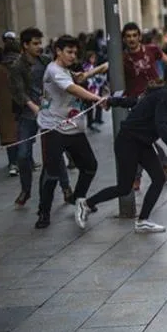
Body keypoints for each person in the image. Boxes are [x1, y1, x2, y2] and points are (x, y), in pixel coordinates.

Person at [83, 60, 167, 233]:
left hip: (141, 142)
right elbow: (162, 126)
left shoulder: (160, 91)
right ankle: (86, 204)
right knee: (124, 187)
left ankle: (142, 221)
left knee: (158, 178)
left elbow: (136, 101)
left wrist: (112, 101)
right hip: (128, 141)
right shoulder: (163, 94)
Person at [36, 35, 107, 229]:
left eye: (75, 52)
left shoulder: (67, 70)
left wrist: (100, 69)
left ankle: (78, 199)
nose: (73, 56)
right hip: (53, 128)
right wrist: (97, 99)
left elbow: (80, 78)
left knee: (90, 166)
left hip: (74, 128)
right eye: (69, 52)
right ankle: (44, 212)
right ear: (58, 51)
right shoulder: (53, 70)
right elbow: (73, 89)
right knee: (51, 174)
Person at [9, 28, 71, 208]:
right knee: (22, 154)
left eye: (40, 43)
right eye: (35, 43)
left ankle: (66, 188)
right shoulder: (17, 66)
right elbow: (18, 92)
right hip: (28, 115)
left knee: (54, 152)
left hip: (48, 113)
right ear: (25, 45)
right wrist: (33, 106)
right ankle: (25, 190)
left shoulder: (45, 61)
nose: (39, 47)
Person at [122, 23, 167, 182]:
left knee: (142, 138)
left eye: (134, 35)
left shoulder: (151, 49)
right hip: (137, 102)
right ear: (124, 39)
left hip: (155, 98)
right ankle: (161, 164)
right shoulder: (123, 58)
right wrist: (88, 74)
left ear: (139, 36)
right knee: (141, 138)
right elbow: (106, 67)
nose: (132, 39)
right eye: (128, 36)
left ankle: (139, 175)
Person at [0, 34, 20, 175]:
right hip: (22, 106)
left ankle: (13, 163)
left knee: (10, 136)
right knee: (23, 134)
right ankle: (25, 161)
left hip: (5, 108)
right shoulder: (21, 67)